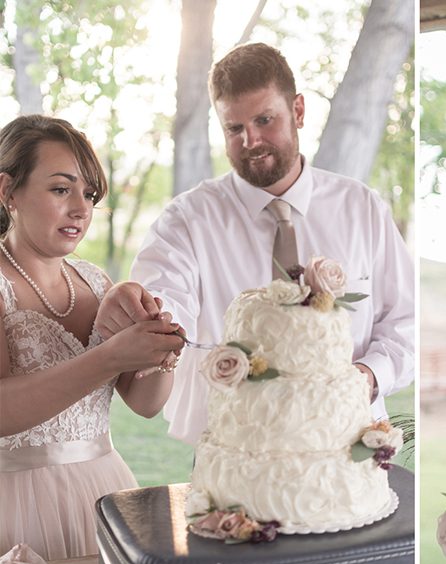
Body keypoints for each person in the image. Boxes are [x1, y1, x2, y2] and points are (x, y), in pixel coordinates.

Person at [95, 42, 415, 444]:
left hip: (349, 442)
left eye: (265, 120)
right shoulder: (187, 219)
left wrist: (369, 376)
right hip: (232, 449)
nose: (251, 141)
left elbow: (406, 322)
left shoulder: (362, 208)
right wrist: (148, 312)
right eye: (234, 128)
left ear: (298, 111)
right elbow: (166, 298)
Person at [0, 115, 184, 560]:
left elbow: (145, 404)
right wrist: (110, 356)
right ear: (7, 192)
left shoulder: (95, 281)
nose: (81, 209)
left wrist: (159, 347)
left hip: (104, 491)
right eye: (61, 189)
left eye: (89, 194)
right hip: (16, 504)